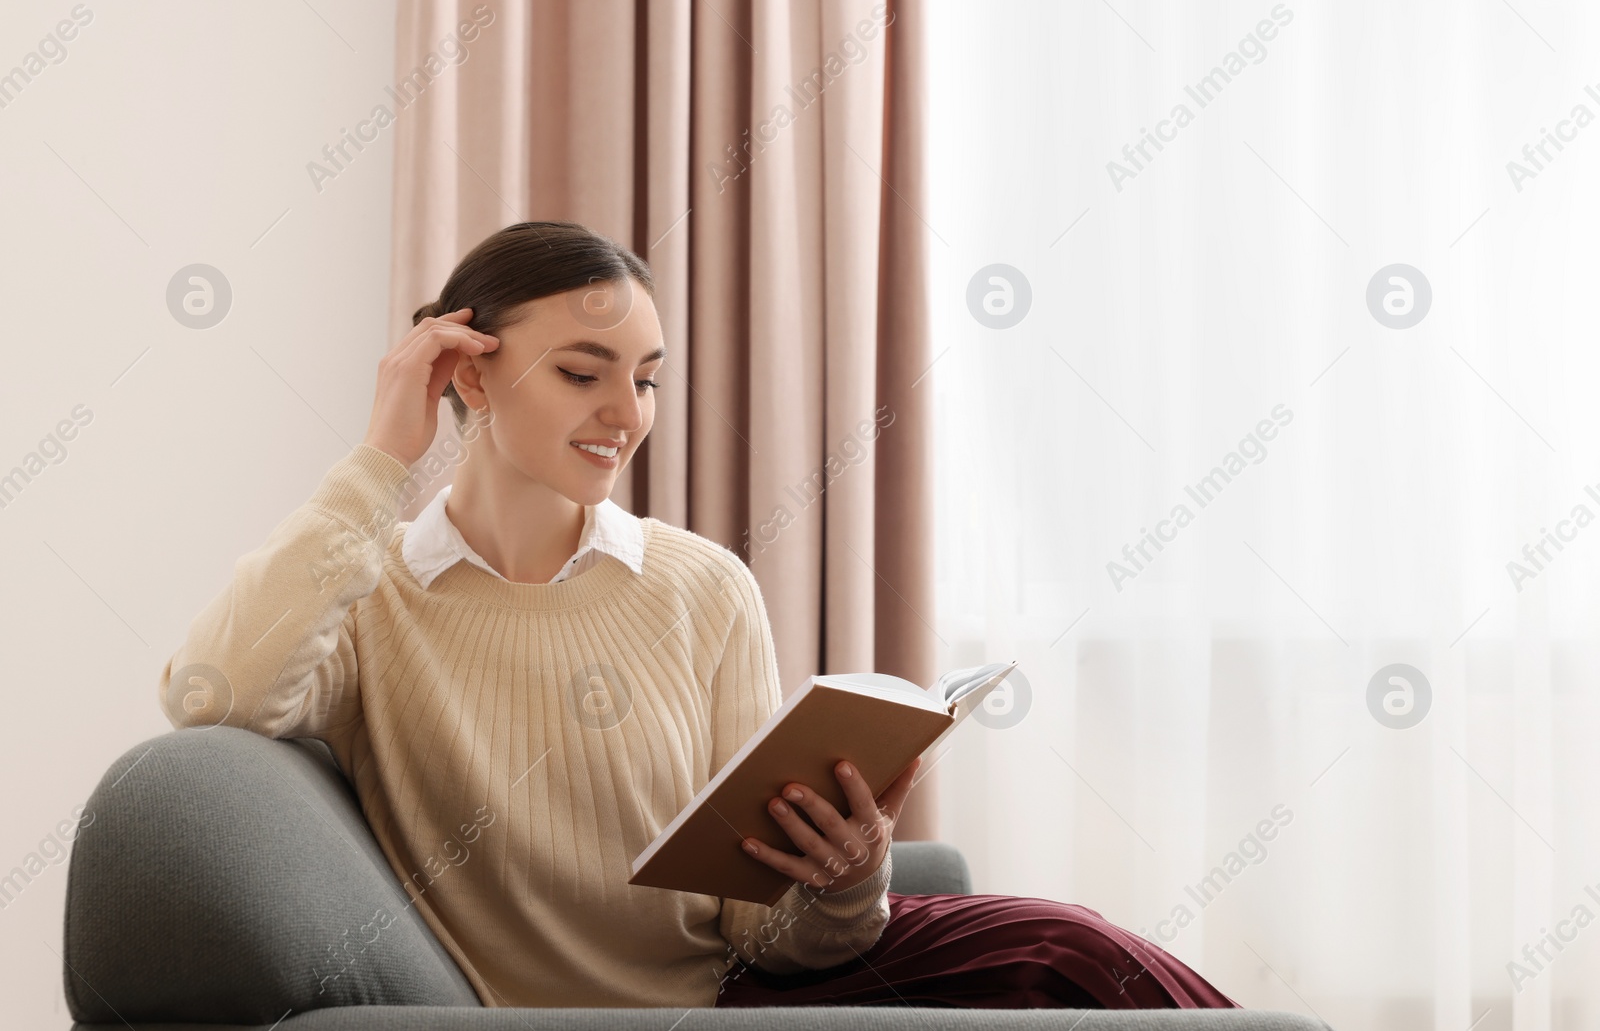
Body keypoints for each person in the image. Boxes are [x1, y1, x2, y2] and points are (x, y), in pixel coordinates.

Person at [158, 220, 1237, 1011]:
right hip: (669, 1012)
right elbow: (212, 692)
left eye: (648, 379)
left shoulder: (701, 584)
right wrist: (382, 458)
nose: (626, 415)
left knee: (1077, 952)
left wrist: (849, 870)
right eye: (583, 372)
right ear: (471, 379)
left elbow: (763, 931)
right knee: (1072, 957)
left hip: (766, 981)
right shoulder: (372, 594)